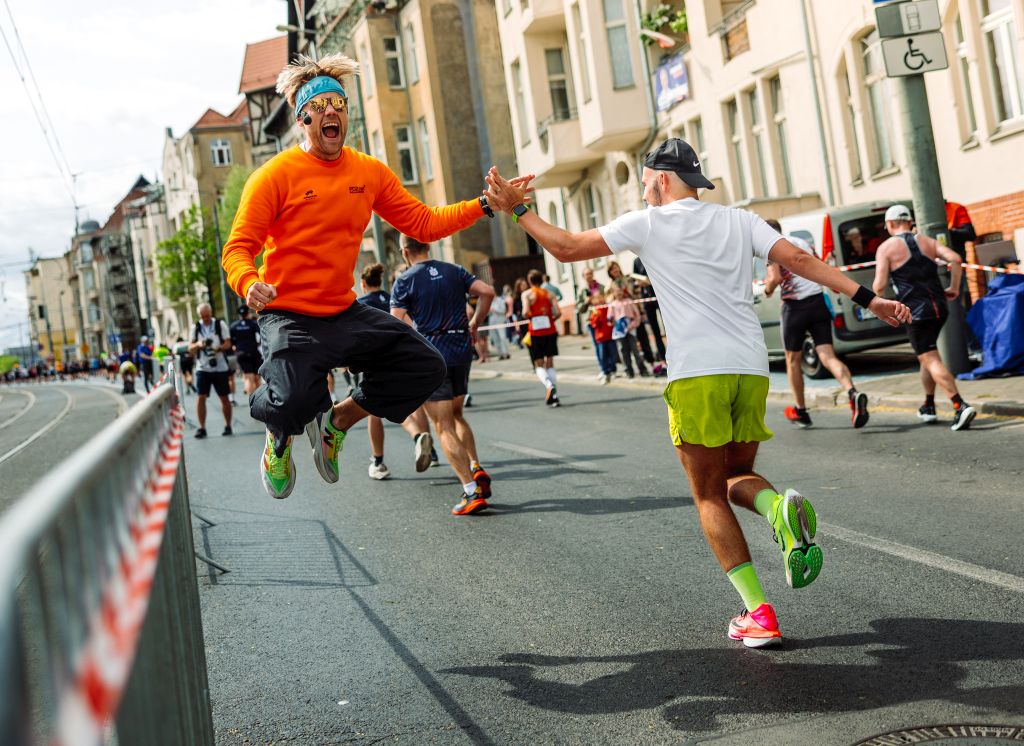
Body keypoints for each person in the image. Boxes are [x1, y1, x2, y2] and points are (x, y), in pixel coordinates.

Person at [485, 138, 910, 647]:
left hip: (696, 372)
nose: (643, 191)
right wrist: (870, 299)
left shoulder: (648, 223)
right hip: (749, 366)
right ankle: (776, 508)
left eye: (645, 182)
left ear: (663, 179)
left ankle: (759, 613)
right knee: (736, 475)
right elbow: (798, 258)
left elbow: (567, 248)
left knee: (708, 493)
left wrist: (518, 210)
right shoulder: (739, 220)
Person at [221, 53, 522, 500]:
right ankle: (278, 438)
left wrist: (483, 205)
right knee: (292, 401)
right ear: (303, 119)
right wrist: (249, 283)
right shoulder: (274, 177)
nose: (332, 113)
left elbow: (423, 223)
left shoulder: (367, 171)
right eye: (320, 107)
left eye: (339, 105)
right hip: (289, 314)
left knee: (426, 365)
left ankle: (337, 421)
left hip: (343, 312)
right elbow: (237, 249)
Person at [391, 235, 496, 515]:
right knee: (458, 414)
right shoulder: (454, 270)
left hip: (431, 354)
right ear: (427, 246)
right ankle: (475, 465)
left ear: (404, 252)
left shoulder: (405, 280)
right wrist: (475, 323)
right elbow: (487, 292)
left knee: (443, 425)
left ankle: (471, 491)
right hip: (460, 349)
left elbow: (395, 322)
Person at [872, 204, 977, 431]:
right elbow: (955, 258)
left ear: (890, 224)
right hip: (939, 307)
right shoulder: (927, 241)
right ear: (910, 222)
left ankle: (959, 405)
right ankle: (929, 405)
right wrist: (955, 287)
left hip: (914, 312)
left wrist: (879, 305)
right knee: (926, 356)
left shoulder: (886, 248)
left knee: (930, 358)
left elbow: (879, 286)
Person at [763, 219, 869, 429]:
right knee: (827, 355)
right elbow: (820, 266)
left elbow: (775, 278)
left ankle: (801, 410)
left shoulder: (772, 247)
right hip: (818, 302)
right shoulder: (802, 242)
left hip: (794, 307)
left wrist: (767, 289)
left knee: (793, 360)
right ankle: (852, 392)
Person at [356, 262, 434, 480]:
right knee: (413, 405)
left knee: (374, 411)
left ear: (363, 284)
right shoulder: (392, 299)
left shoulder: (361, 305)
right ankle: (428, 446)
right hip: (402, 359)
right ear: (380, 281)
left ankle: (378, 461)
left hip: (376, 363)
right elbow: (410, 327)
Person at [189, 303, 233, 439]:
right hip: (203, 367)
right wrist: (199, 344)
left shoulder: (220, 324)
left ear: (211, 313)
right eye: (203, 316)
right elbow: (190, 347)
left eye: (207, 316)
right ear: (199, 315)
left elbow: (228, 343)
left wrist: (217, 348)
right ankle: (202, 428)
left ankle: (228, 425)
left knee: (224, 397)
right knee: (200, 397)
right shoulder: (196, 327)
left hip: (220, 366)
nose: (206, 318)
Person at [522, 269, 561, 406]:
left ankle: (549, 385)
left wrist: (532, 317)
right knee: (550, 362)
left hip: (536, 332)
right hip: (550, 330)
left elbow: (525, 312)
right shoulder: (550, 294)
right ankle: (554, 396)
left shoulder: (527, 294)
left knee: (538, 363)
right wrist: (549, 319)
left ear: (530, 281)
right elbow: (558, 312)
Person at [607, 285, 649, 378]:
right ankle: (628, 371)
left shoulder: (629, 302)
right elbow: (610, 319)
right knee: (623, 351)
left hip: (630, 330)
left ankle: (642, 369)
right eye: (616, 291)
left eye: (620, 291)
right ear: (613, 293)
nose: (619, 293)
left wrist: (632, 325)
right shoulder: (612, 305)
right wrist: (612, 321)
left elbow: (637, 315)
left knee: (635, 350)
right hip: (619, 332)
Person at [577, 266, 610, 378]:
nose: (589, 276)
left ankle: (610, 368)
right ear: (583, 277)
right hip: (591, 320)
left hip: (603, 318)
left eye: (590, 273)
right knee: (598, 345)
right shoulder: (582, 291)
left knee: (607, 343)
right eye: (586, 274)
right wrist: (586, 302)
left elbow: (607, 299)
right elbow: (579, 309)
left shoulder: (601, 287)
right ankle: (603, 368)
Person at [230, 304, 263, 397]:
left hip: (241, 353)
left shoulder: (234, 326)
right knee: (257, 378)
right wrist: (258, 343)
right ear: (248, 313)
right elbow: (262, 334)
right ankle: (260, 400)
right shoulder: (253, 323)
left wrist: (235, 346)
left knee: (248, 378)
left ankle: (252, 401)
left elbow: (231, 341)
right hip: (253, 352)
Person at [588, 289, 616, 384]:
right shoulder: (595, 310)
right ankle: (605, 371)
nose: (600, 300)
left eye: (601, 297)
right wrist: (596, 317)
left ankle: (613, 370)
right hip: (600, 338)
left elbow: (612, 318)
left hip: (610, 335)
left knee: (612, 354)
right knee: (603, 355)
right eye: (597, 298)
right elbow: (593, 324)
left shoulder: (608, 307)